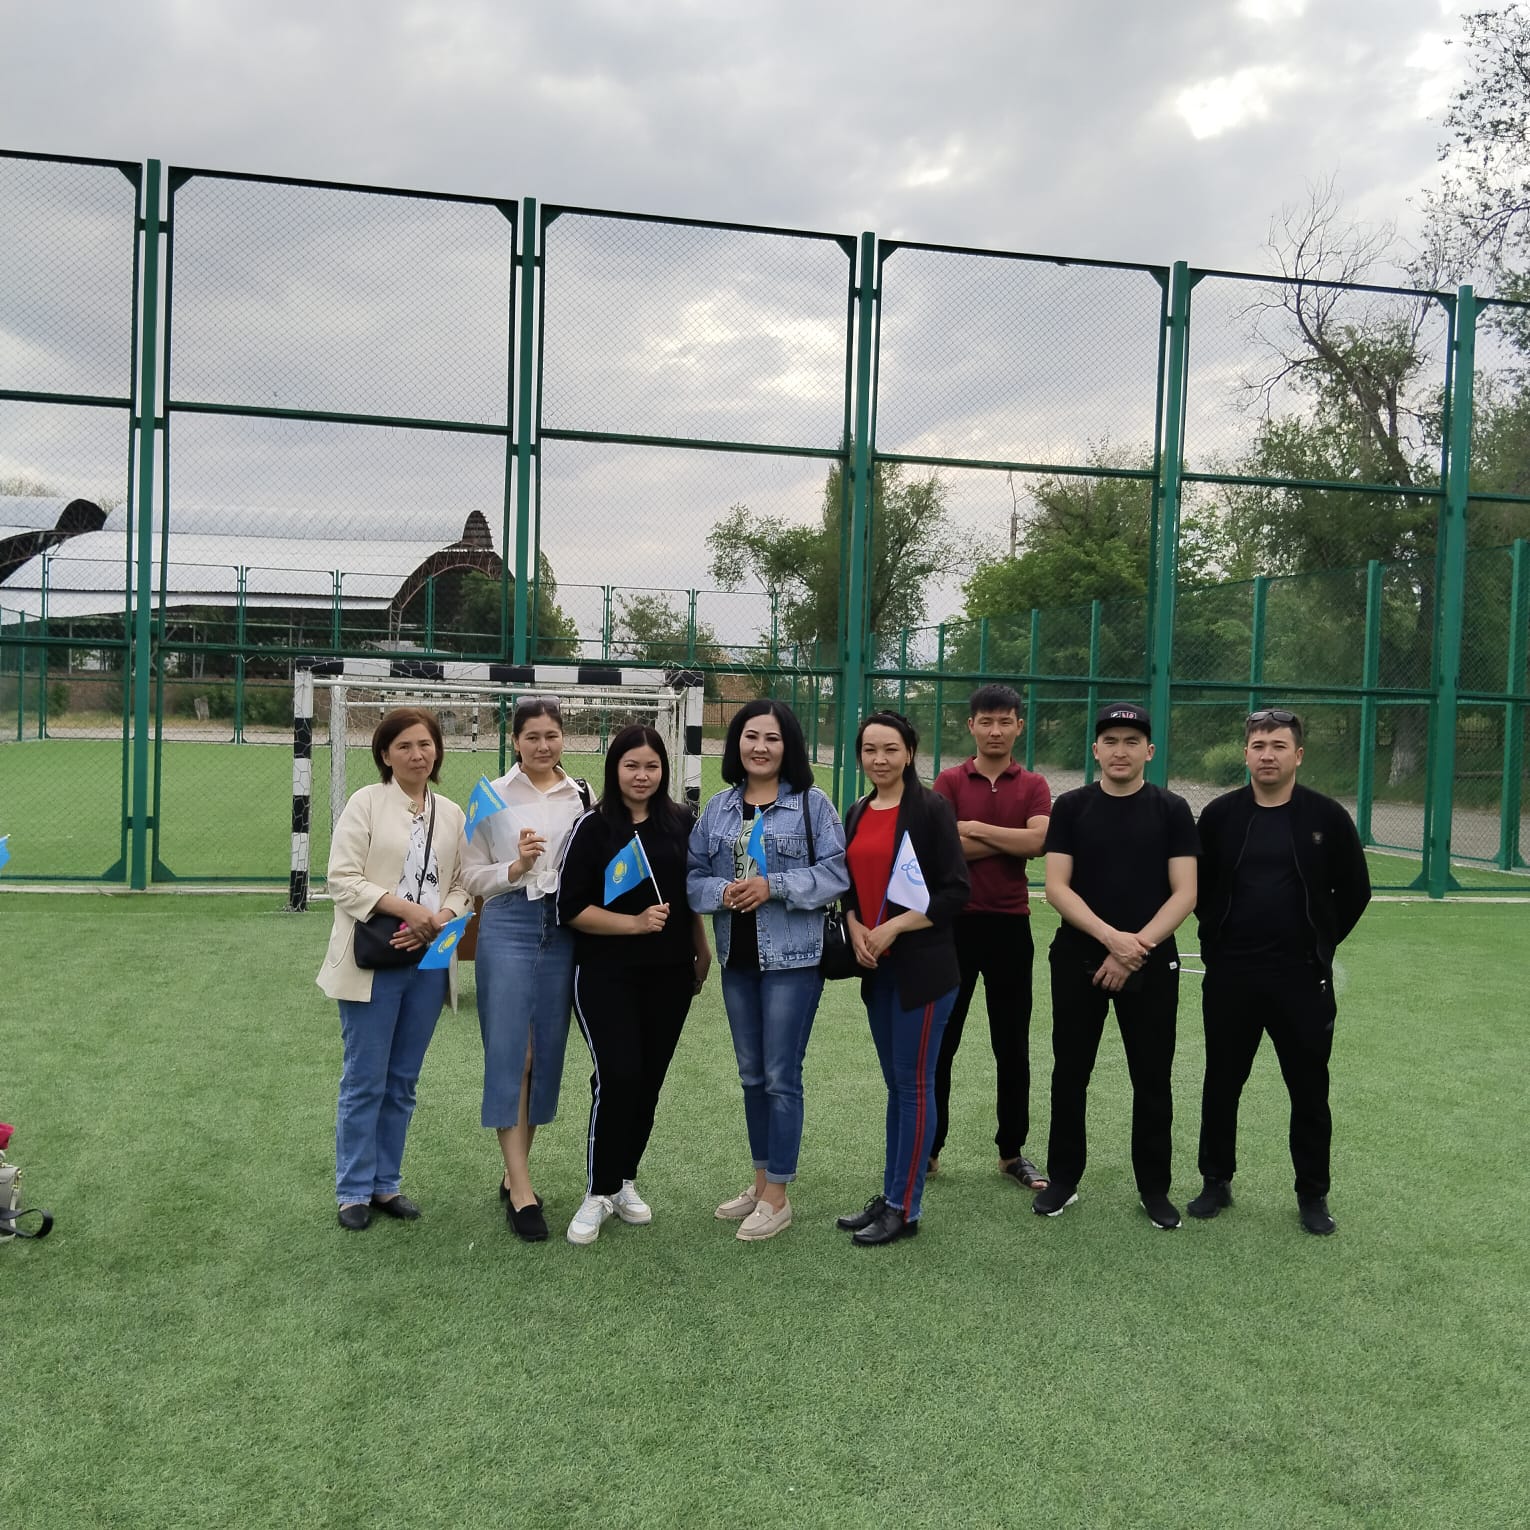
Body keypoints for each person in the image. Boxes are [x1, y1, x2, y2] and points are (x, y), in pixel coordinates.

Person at [1189, 708, 1371, 1236]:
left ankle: (1312, 1194)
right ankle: (1216, 1180)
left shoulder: (1326, 817)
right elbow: (1197, 886)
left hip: (1301, 978)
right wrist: (1216, 938)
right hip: (1232, 976)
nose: (1267, 755)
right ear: (1246, 753)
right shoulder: (1220, 815)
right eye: (1258, 746)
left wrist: (1320, 943)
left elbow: (1354, 890)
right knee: (1222, 1082)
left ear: (1298, 755)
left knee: (1309, 1089)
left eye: (1278, 746)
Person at [687, 699, 850, 1242]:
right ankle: (759, 1183)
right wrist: (722, 892)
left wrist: (772, 886)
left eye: (772, 738)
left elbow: (836, 873)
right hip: (737, 961)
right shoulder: (718, 809)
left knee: (781, 1076)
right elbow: (692, 877)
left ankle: (778, 1195)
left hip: (793, 962)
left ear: (789, 747)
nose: (760, 747)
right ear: (737, 743)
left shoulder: (812, 805)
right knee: (752, 1076)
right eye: (751, 736)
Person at [1036, 703, 1198, 1230]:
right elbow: (1056, 887)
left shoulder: (1172, 809)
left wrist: (1136, 948)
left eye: (1131, 741)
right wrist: (1112, 940)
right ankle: (1063, 1179)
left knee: (1152, 1078)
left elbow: (1185, 893)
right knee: (1070, 1072)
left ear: (1149, 751)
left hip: (1151, 961)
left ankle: (1154, 1188)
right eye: (1110, 740)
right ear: (1095, 750)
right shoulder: (1071, 807)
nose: (1120, 750)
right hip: (1078, 958)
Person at [317, 708, 471, 1231]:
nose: (417, 755)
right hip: (373, 959)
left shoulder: (451, 812)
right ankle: (353, 1190)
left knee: (402, 1079)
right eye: (404, 746)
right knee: (366, 1078)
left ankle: (386, 1184)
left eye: (425, 744)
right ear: (385, 754)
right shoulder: (365, 802)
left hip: (429, 961)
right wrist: (407, 911)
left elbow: (462, 882)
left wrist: (439, 919)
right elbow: (341, 879)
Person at [556, 725, 712, 1246]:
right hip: (605, 974)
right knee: (618, 1076)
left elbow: (688, 895)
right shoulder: (592, 827)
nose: (642, 776)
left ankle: (624, 1180)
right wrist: (634, 923)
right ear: (614, 769)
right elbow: (571, 908)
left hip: (669, 974)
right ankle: (598, 1190)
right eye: (631, 766)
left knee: (648, 1082)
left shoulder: (682, 822)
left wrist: (700, 946)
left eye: (651, 766)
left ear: (663, 770)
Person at [834, 711, 969, 1247]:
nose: (880, 759)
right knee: (897, 1087)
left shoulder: (932, 809)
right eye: (870, 750)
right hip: (877, 969)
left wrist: (893, 927)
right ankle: (891, 1194)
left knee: (913, 1088)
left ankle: (905, 1208)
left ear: (910, 752)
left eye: (890, 749)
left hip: (924, 972)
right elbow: (848, 886)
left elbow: (955, 891)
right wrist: (855, 926)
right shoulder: (858, 810)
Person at [461, 697, 590, 1243]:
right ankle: (521, 1191)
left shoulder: (581, 795)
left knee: (545, 1055)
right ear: (514, 740)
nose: (542, 745)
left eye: (551, 735)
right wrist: (516, 867)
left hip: (563, 926)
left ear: (563, 738)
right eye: (531, 736)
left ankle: (515, 1170)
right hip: (509, 922)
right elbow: (469, 874)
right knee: (516, 1053)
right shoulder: (490, 795)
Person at [930, 683, 1052, 1190]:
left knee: (1012, 1044)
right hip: (953, 927)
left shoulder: (1035, 784)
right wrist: (1009, 840)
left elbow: (1039, 841)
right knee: (942, 1042)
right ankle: (929, 1150)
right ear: (972, 726)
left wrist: (973, 828)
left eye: (1005, 721)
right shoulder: (950, 780)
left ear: (1019, 726)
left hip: (1010, 926)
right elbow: (942, 848)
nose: (995, 730)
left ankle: (1011, 1153)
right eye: (987, 721)